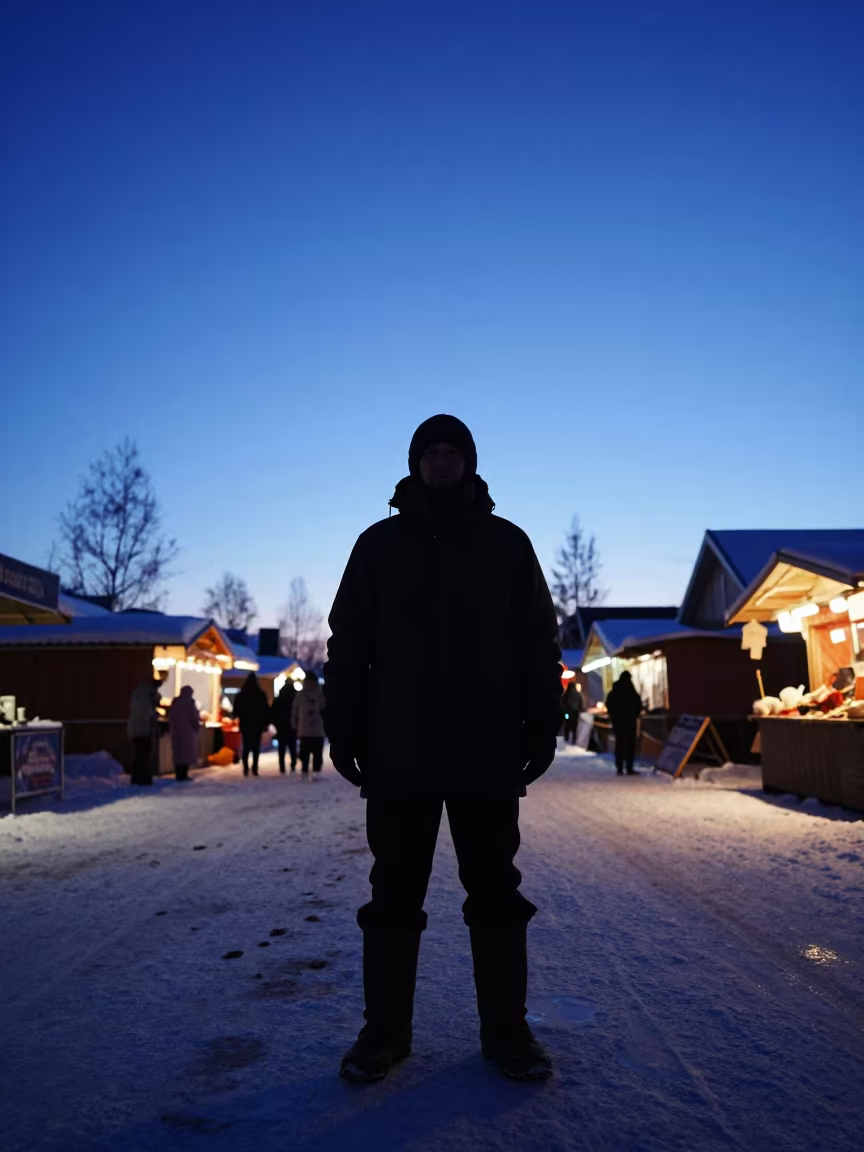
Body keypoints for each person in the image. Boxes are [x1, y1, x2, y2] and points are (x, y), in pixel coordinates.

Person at [323, 414, 562, 1084]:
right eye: (430, 451)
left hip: (485, 749)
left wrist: (543, 724)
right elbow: (348, 644)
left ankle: (508, 1034)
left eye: (452, 451)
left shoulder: (507, 545)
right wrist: (342, 727)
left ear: (471, 462)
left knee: (496, 892)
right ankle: (384, 1034)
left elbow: (537, 643)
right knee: (393, 894)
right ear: (413, 463)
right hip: (399, 751)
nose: (441, 460)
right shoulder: (377, 546)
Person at [232, 672, 270, 776]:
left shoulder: (241, 695)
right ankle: (254, 768)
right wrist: (266, 724)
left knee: (246, 746)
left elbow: (236, 710)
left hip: (245, 724)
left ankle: (245, 768)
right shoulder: (261, 695)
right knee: (255, 747)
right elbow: (265, 710)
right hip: (257, 724)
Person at [605, 671, 643, 775]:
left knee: (619, 744)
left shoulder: (614, 691)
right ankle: (629, 767)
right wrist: (634, 714)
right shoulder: (631, 691)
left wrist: (614, 716)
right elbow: (638, 704)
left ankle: (619, 767)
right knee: (629, 745)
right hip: (630, 723)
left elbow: (609, 705)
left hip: (618, 723)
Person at [127, 679, 161, 786]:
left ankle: (138, 777)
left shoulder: (138, 694)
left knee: (140, 754)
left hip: (136, 729)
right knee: (143, 754)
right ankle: (142, 777)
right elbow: (148, 714)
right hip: (143, 730)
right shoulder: (146, 698)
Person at [292, 673, 326, 775]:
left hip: (314, 729)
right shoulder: (302, 694)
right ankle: (306, 770)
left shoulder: (319, 694)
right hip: (308, 729)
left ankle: (315, 770)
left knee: (315, 752)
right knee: (306, 752)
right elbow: (295, 710)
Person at [168, 684, 200, 781]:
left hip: (176, 731)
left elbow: (171, 716)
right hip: (188, 731)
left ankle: (178, 773)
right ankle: (184, 773)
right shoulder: (190, 703)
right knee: (186, 753)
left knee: (178, 753)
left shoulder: (176, 702)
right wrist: (196, 727)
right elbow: (194, 717)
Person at [271, 679, 298, 773]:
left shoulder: (279, 697)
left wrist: (276, 724)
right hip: (292, 726)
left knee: (281, 747)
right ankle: (293, 764)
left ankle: (282, 766)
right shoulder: (295, 697)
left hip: (281, 726)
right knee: (292, 746)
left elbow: (273, 713)